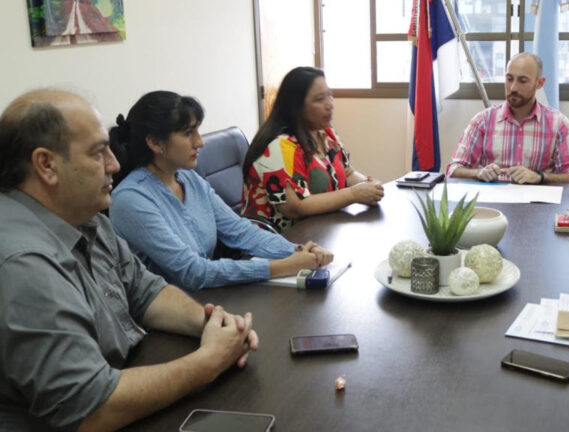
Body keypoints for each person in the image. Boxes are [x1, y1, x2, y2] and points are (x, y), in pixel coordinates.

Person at [0, 89, 259, 431]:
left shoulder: (83, 215)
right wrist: (209, 361)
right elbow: (90, 409)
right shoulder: (23, 264)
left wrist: (213, 324)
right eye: (97, 152)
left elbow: (144, 290)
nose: (114, 164)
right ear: (46, 165)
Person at [109, 91, 333, 292]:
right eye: (188, 133)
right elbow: (192, 272)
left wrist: (298, 250)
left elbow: (240, 230)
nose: (199, 142)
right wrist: (282, 267)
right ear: (155, 143)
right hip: (168, 319)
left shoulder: (188, 178)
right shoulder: (131, 200)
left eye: (197, 130)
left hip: (209, 296)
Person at [241, 66, 384, 232]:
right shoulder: (280, 146)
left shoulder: (326, 134)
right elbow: (295, 207)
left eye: (330, 95)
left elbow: (347, 173)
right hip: (280, 240)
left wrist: (369, 186)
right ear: (297, 106)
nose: (329, 104)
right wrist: (353, 195)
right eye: (319, 99)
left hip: (321, 230)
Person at [446, 52, 569, 184]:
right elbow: (453, 170)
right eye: (509, 79)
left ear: (539, 83)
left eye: (522, 81)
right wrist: (478, 173)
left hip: (537, 202)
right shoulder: (483, 120)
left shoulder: (559, 124)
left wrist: (540, 177)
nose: (513, 87)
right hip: (492, 201)